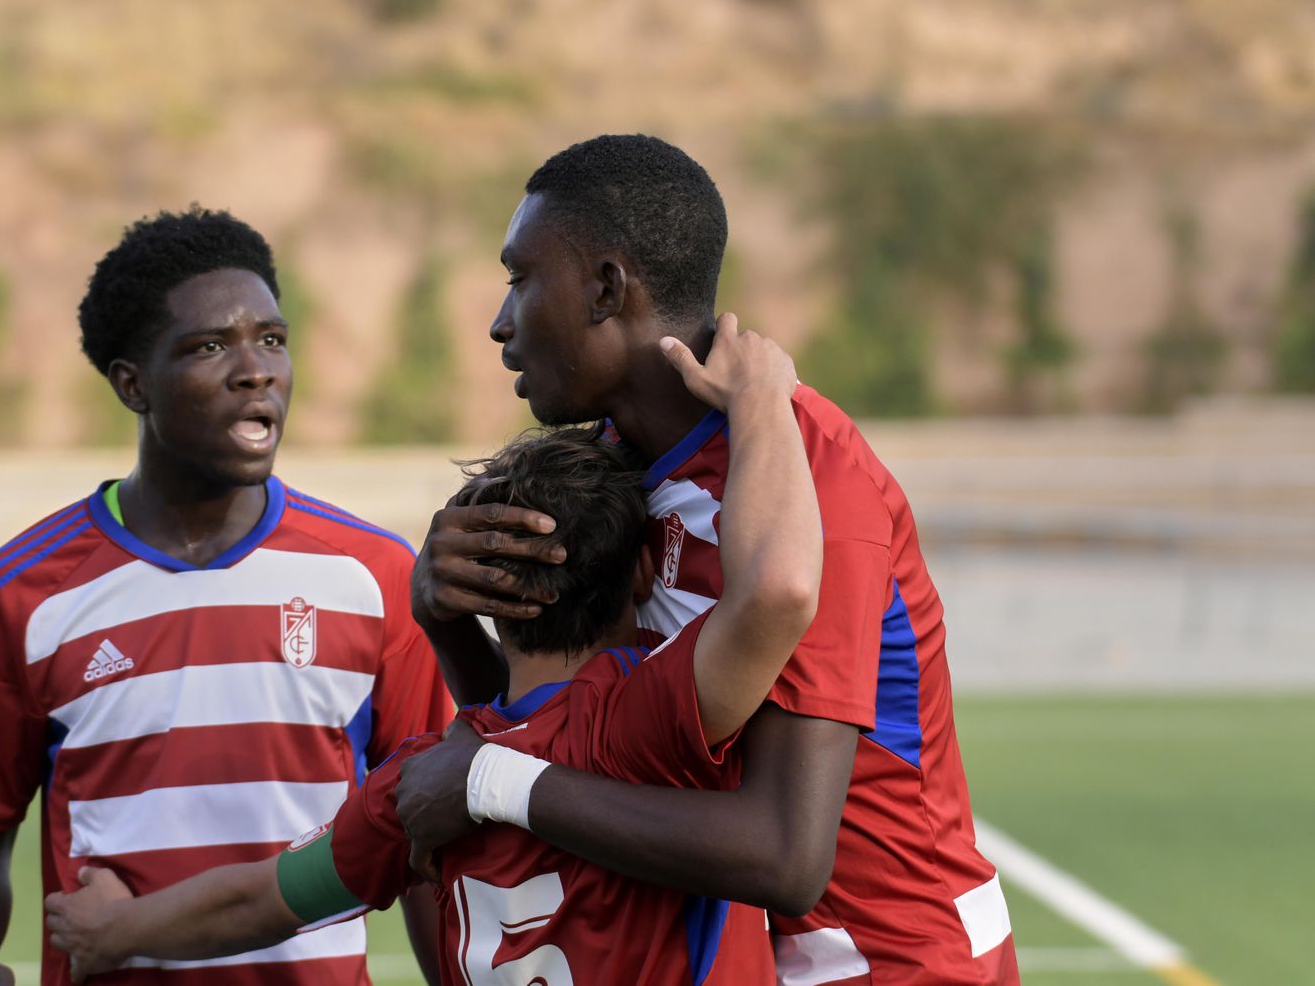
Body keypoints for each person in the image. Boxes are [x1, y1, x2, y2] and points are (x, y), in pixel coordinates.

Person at [400, 134, 1020, 986]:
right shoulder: (609, 469)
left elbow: (786, 856)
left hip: (895, 966)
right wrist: (444, 618)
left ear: (607, 288)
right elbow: (560, 738)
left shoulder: (811, 478)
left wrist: (485, 778)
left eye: (520, 278)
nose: (501, 323)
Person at [42, 317, 822, 986]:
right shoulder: (646, 720)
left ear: (476, 590)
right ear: (646, 572)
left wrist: (115, 929)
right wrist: (761, 399)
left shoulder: (421, 783)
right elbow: (779, 592)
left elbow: (261, 899)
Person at [0, 206, 455, 986]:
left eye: (272, 339)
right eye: (210, 346)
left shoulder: (374, 575)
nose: (256, 370)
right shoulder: (24, 589)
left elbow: (426, 837)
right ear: (132, 383)